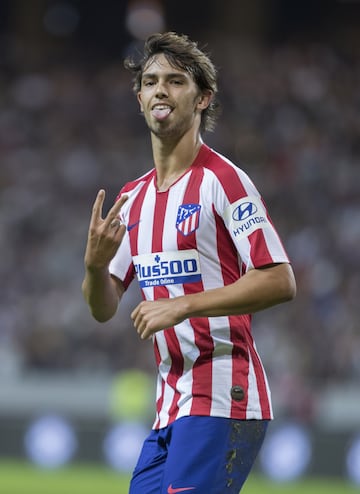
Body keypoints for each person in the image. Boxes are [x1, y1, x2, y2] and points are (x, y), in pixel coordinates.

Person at [82, 32, 296, 494]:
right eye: (151, 80)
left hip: (223, 394)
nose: (161, 89)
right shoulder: (132, 199)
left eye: (176, 81)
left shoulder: (224, 181)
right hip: (170, 404)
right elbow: (103, 309)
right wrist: (96, 268)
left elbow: (280, 279)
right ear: (139, 98)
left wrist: (183, 306)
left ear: (203, 99)